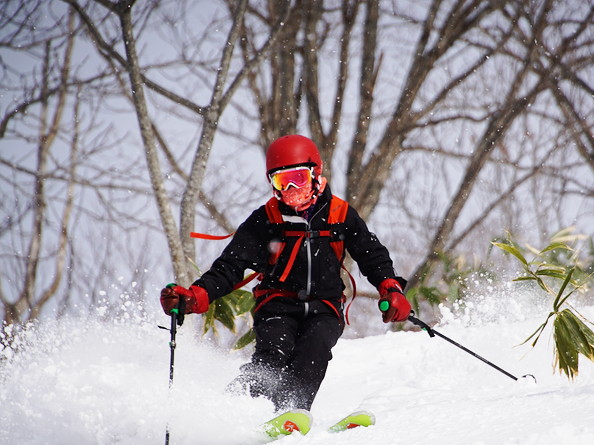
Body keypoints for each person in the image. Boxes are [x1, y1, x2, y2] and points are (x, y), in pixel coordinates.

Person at [160, 134, 411, 413]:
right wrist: (197, 295)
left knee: (313, 353)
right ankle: (240, 409)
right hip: (277, 304)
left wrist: (390, 286)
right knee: (272, 357)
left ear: (316, 174)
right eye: (282, 181)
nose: (292, 189)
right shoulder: (266, 219)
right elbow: (231, 265)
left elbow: (370, 253)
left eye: (299, 179)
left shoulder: (339, 214)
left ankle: (290, 412)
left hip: (325, 305)